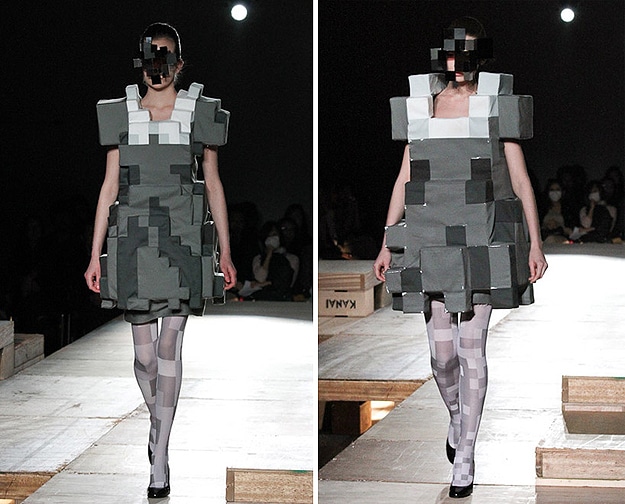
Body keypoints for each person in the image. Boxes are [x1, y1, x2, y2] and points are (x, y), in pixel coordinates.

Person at [373, 17, 547, 498]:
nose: (460, 59)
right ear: (443, 55)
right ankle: (457, 418)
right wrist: (388, 240)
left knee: (472, 350)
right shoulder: (423, 105)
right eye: (454, 50)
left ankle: (466, 454)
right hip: (430, 239)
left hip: (483, 237)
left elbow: (519, 178)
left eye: (470, 50)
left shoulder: (494, 104)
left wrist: (535, 242)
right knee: (441, 357)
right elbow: (405, 175)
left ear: (481, 55)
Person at [84, 23, 236, 498]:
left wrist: (226, 250)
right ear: (141, 62)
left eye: (166, 56)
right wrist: (95, 254)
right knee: (144, 356)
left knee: (169, 348)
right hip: (132, 241)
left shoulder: (198, 113)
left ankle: (161, 458)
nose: (158, 66)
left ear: (179, 62)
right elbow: (109, 186)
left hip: (184, 240)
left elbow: (213, 182)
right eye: (151, 57)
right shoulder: (123, 114)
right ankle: (158, 423)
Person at [540, 179, 573, 243]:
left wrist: (558, 226)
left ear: (562, 192)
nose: (554, 192)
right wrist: (547, 225)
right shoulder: (542, 208)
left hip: (562, 238)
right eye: (552, 190)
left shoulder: (568, 208)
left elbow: (571, 229)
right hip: (544, 237)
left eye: (557, 189)